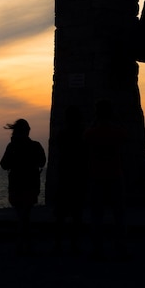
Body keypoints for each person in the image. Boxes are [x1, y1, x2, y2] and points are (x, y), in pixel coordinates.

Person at [84, 100, 128, 259]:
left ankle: (97, 248)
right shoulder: (117, 132)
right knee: (119, 215)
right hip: (115, 175)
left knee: (96, 215)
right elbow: (125, 136)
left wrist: (93, 123)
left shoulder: (91, 133)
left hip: (96, 176)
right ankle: (121, 247)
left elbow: (86, 138)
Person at [0, 119, 46, 255]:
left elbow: (3, 164)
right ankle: (26, 244)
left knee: (22, 215)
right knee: (26, 215)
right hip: (31, 184)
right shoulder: (35, 146)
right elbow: (42, 161)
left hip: (16, 184)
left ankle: (22, 244)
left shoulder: (12, 146)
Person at [53, 106, 88, 254]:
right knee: (76, 214)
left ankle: (59, 245)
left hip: (65, 175)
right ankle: (74, 244)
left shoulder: (62, 134)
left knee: (61, 215)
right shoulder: (82, 134)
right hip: (76, 176)